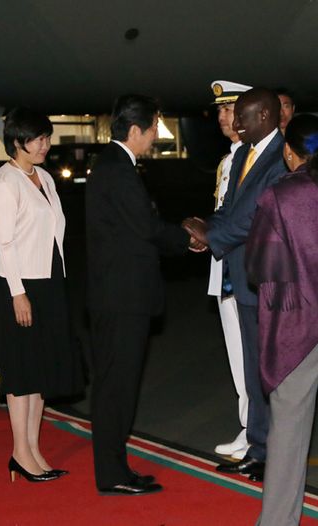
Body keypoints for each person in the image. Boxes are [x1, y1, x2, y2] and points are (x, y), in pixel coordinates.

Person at [85, 94, 193, 495]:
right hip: (122, 299)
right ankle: (112, 474)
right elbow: (147, 228)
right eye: (151, 130)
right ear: (135, 131)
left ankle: (113, 467)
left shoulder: (112, 166)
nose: (153, 137)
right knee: (118, 386)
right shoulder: (118, 170)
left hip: (116, 296)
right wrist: (189, 239)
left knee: (115, 383)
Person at [184, 88, 286, 481]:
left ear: (265, 115)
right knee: (252, 368)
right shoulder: (243, 153)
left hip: (268, 279)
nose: (236, 123)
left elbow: (252, 217)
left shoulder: (281, 158)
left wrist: (211, 237)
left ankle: (274, 451)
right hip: (243, 276)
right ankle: (258, 447)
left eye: (242, 116)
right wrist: (205, 230)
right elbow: (229, 208)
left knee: (269, 370)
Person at [0, 107, 84, 483]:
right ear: (17, 142)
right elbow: (4, 245)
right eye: (38, 139)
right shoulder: (5, 184)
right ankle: (20, 451)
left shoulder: (43, 176)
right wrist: (17, 293)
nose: (46, 145)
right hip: (22, 283)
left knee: (42, 368)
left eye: (46, 137)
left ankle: (32, 449)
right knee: (24, 368)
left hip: (50, 278)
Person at [246, 114, 318, 526]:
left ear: (289, 152)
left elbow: (260, 268)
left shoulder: (282, 198)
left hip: (299, 327)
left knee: (289, 434)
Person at [209, 80, 251, 460]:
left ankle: (255, 430)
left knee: (251, 354)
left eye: (230, 109)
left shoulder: (251, 158)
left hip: (244, 270)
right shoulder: (229, 159)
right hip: (223, 269)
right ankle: (247, 427)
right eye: (220, 109)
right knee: (236, 354)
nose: (223, 116)